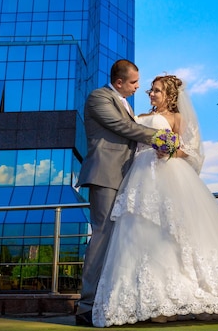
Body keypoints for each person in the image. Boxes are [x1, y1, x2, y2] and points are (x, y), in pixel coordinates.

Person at [91, 75, 218, 327]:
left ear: (169, 94)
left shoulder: (177, 118)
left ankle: (179, 296)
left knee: (172, 234)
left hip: (166, 173)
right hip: (138, 176)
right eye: (150, 90)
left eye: (156, 91)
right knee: (136, 234)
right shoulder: (139, 115)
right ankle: (147, 300)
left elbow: (190, 149)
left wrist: (169, 150)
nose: (151, 94)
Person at [75, 60, 159, 327]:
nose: (138, 87)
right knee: (102, 236)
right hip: (105, 175)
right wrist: (161, 137)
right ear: (119, 81)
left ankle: (109, 302)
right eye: (134, 82)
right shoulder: (99, 97)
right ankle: (86, 307)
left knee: (118, 239)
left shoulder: (125, 102)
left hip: (125, 178)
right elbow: (124, 128)